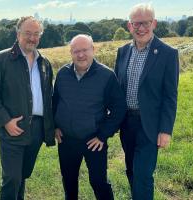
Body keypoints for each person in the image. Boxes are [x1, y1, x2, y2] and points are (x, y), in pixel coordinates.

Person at [0, 16, 55, 200]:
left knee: (22, 176)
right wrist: (5, 121)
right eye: (28, 33)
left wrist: (51, 126)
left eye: (36, 34)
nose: (32, 38)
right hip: (13, 129)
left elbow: (49, 97)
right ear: (18, 34)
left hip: (37, 129)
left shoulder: (44, 63)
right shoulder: (1, 59)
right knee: (11, 178)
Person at [114, 3, 179, 200]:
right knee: (131, 171)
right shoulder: (123, 51)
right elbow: (117, 89)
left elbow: (170, 95)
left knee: (143, 174)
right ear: (129, 26)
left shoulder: (167, 53)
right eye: (136, 24)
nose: (141, 28)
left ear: (154, 23)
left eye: (146, 23)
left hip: (150, 125)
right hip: (127, 124)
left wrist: (166, 130)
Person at [53, 34, 126, 200]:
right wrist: (55, 126)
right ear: (71, 53)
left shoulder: (106, 76)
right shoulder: (63, 74)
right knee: (69, 182)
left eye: (85, 50)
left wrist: (102, 135)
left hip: (94, 141)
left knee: (99, 182)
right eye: (76, 51)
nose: (81, 55)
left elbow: (119, 108)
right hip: (67, 140)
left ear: (93, 50)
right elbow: (54, 102)